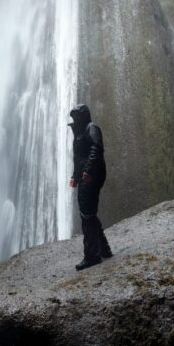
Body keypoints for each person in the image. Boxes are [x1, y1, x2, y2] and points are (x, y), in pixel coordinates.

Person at [68, 104, 113, 270]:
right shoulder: (79, 132)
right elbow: (78, 157)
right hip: (85, 176)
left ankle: (92, 256)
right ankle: (104, 250)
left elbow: (96, 148)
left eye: (78, 116)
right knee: (89, 213)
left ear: (84, 116)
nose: (75, 119)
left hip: (92, 176)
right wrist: (74, 175)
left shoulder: (91, 128)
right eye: (74, 117)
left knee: (86, 214)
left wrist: (88, 170)